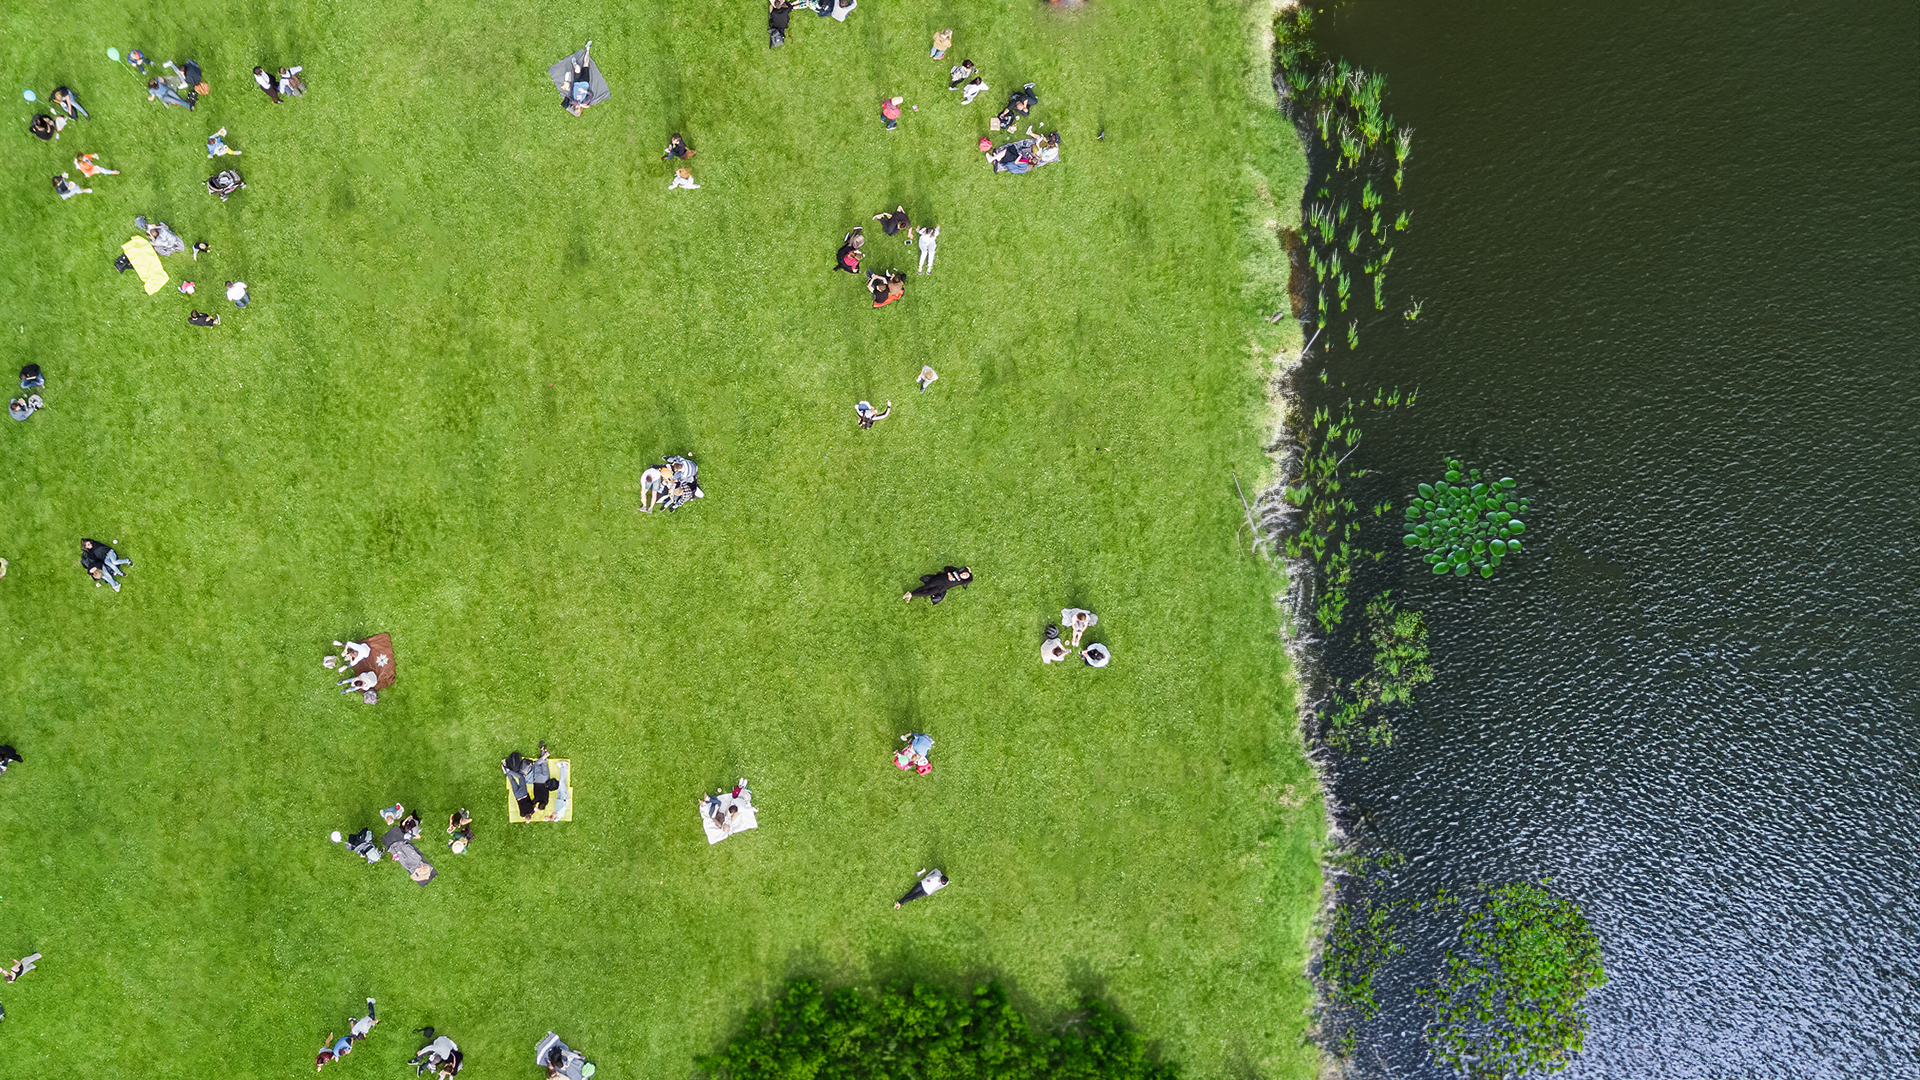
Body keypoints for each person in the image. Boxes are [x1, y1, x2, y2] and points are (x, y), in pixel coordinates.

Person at [903, 565, 971, 604]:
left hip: (942, 587)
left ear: (965, 579)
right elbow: (946, 568)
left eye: (966, 576)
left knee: (928, 593)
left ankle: (910, 594)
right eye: (965, 573)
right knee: (926, 587)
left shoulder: (960, 581)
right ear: (964, 571)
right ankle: (910, 594)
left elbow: (971, 579)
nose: (964, 575)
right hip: (939, 580)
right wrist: (949, 574)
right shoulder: (956, 570)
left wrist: (969, 573)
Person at [562, 44, 595, 115]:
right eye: (578, 107)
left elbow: (570, 101)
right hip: (585, 81)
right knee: (586, 63)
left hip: (576, 82)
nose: (577, 106)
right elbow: (591, 94)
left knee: (577, 67)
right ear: (580, 108)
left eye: (575, 107)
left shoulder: (573, 101)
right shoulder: (585, 102)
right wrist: (584, 91)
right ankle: (587, 49)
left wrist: (579, 103)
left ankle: (574, 64)